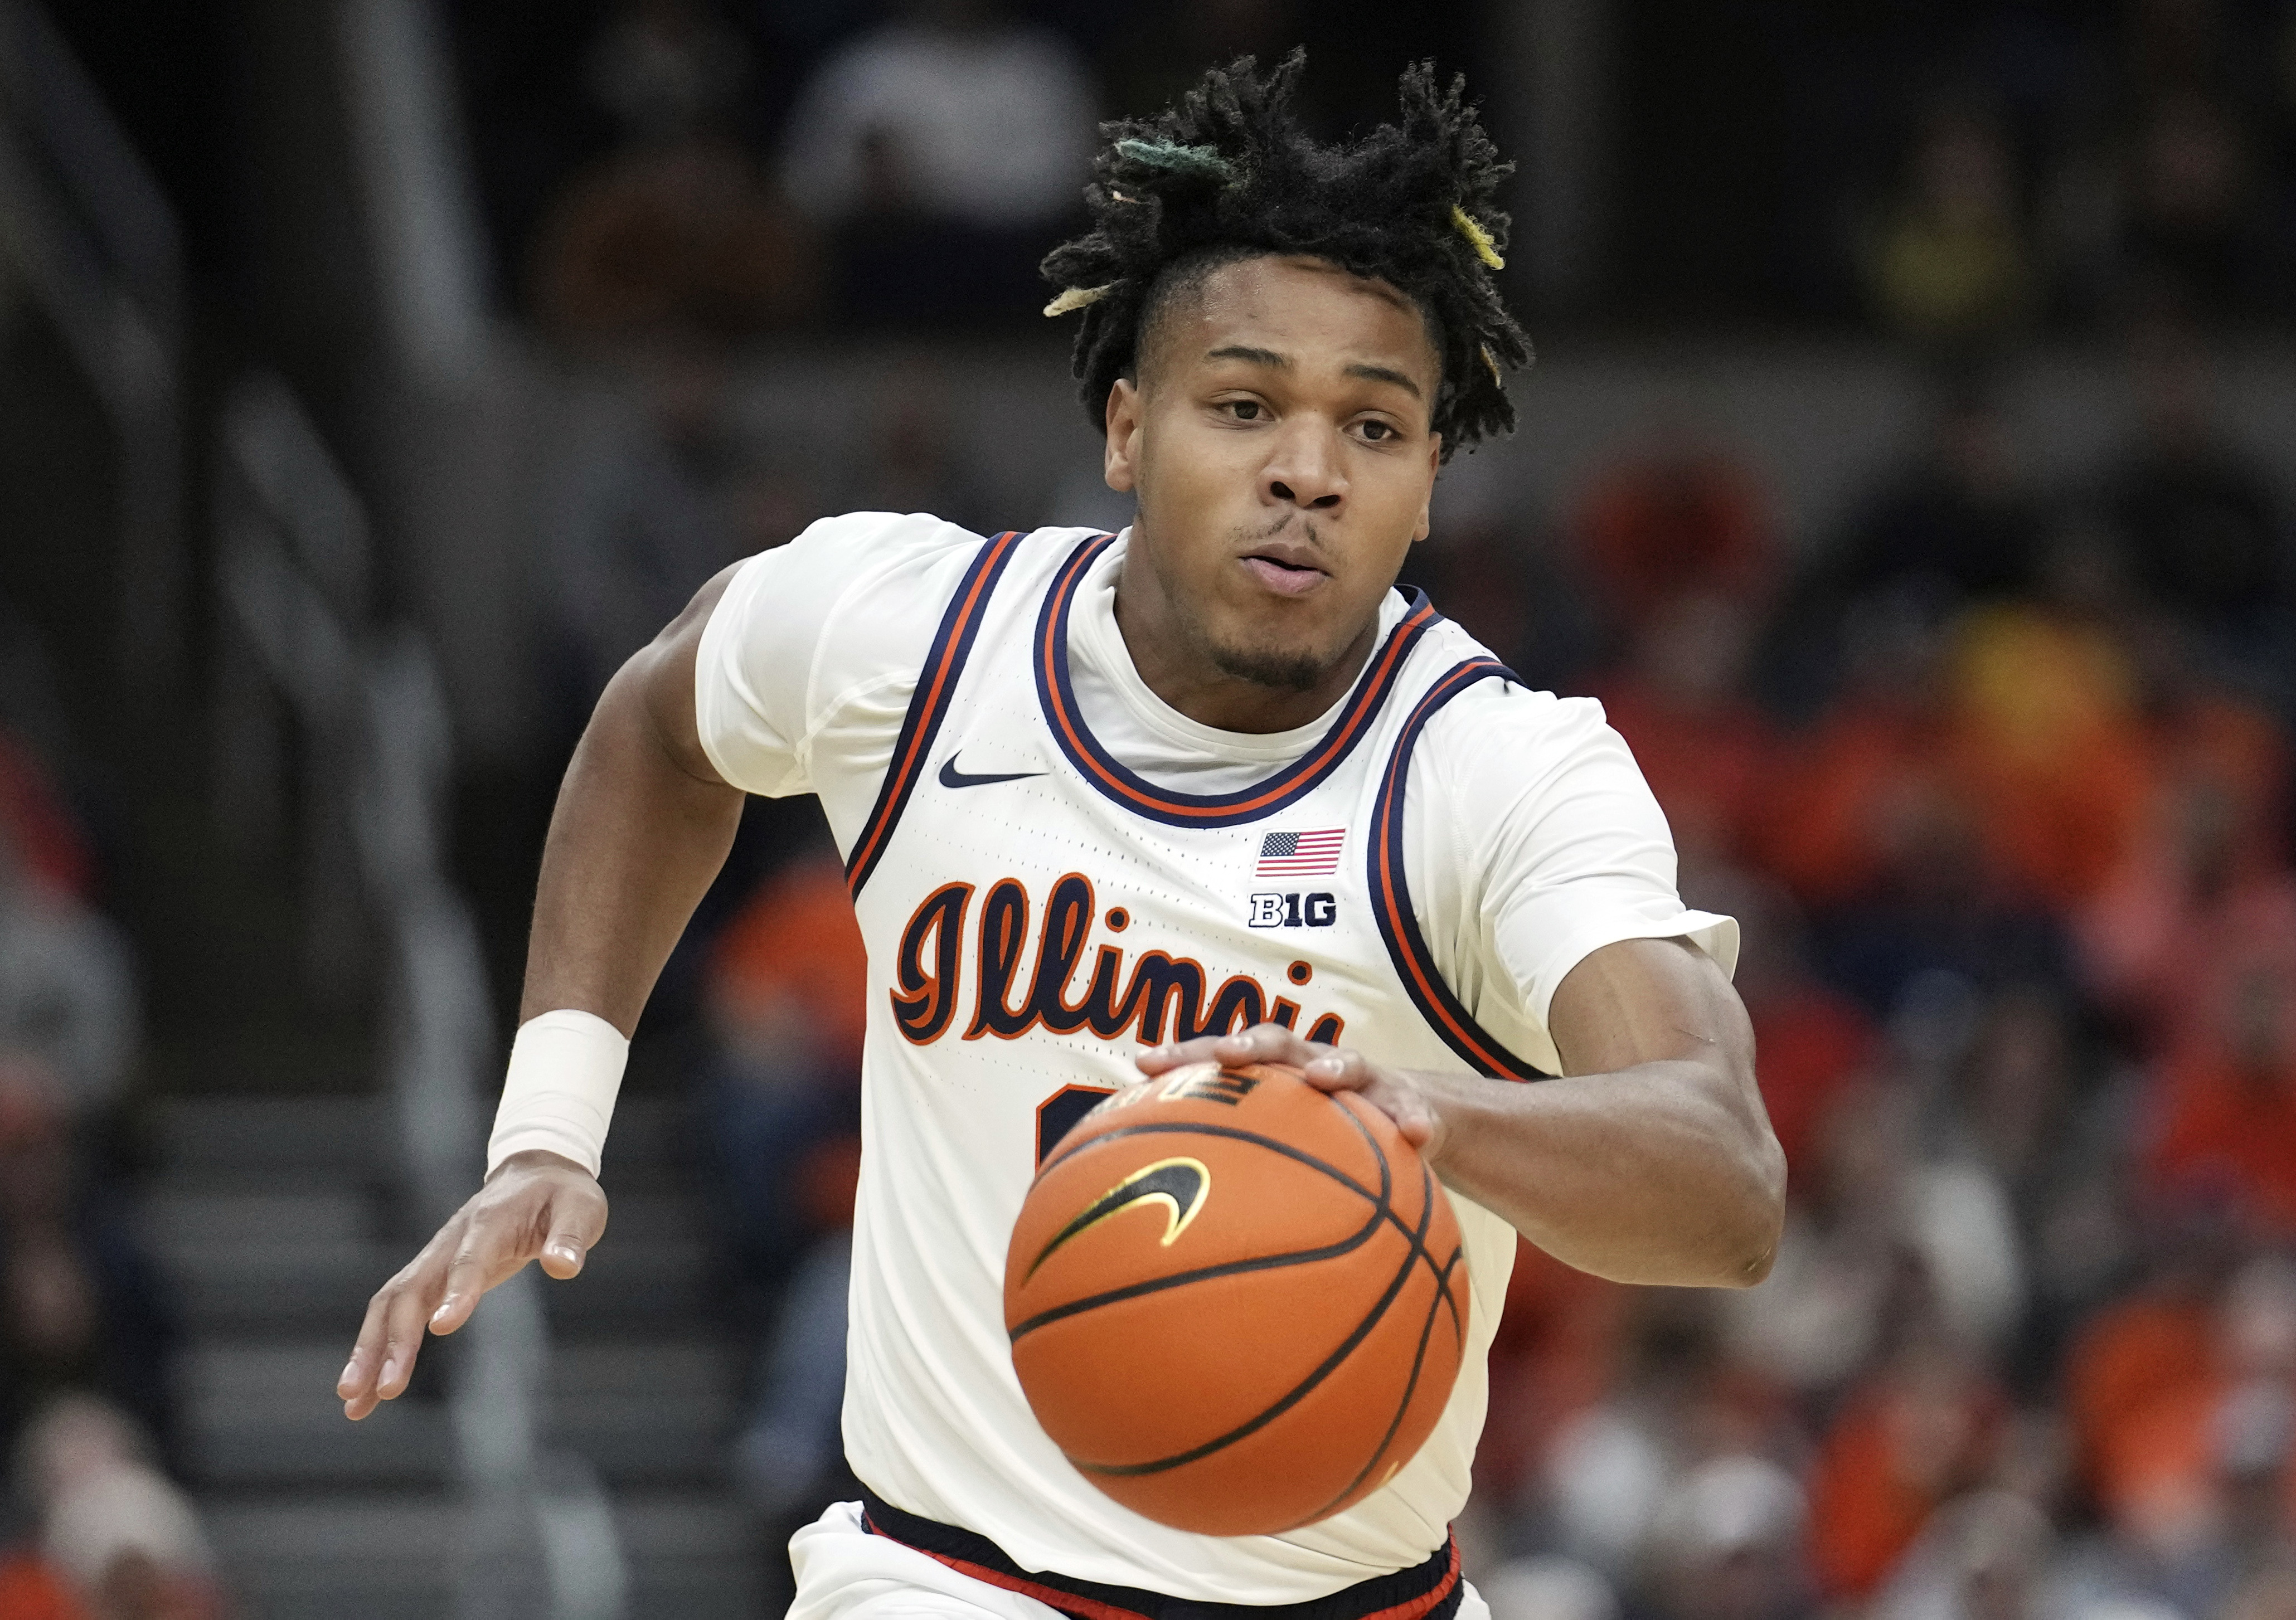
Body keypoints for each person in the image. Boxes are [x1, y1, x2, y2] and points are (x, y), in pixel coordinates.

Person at [337, 55, 1785, 1620]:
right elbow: (659, 724)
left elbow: (1724, 1180)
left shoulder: (1500, 769)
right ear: (1123, 427)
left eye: (1374, 427)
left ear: (1428, 477)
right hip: (951, 1581)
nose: (1306, 468)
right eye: (1243, 406)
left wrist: (1420, 1117)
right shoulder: (911, 634)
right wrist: (551, 1120)